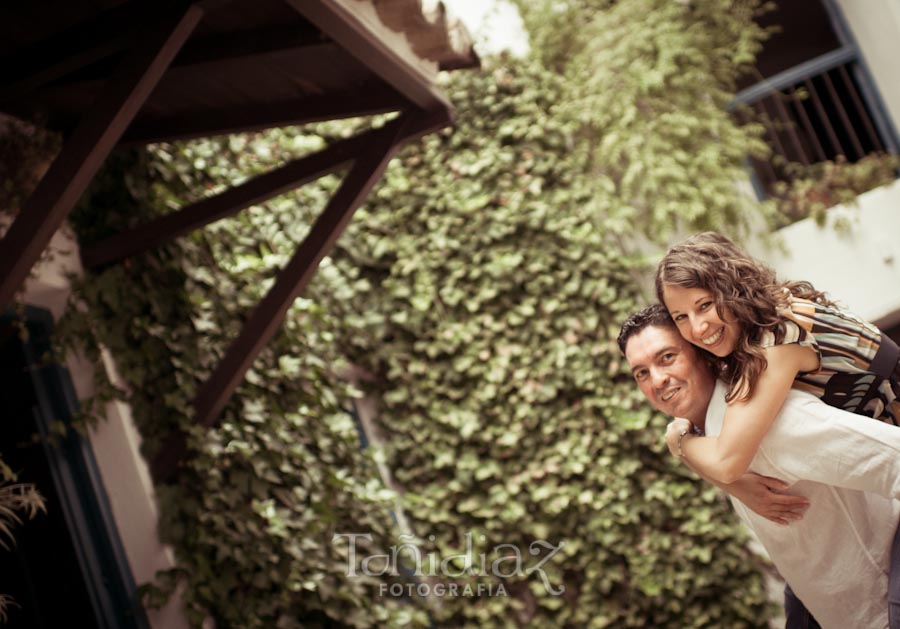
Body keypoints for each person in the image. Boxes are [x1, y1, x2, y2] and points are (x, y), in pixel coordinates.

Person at [619, 305, 900, 629]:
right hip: (825, 604)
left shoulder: (774, 424)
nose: (657, 379)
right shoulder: (703, 437)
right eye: (641, 372)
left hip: (880, 604)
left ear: (701, 353)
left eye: (667, 357)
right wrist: (682, 445)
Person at [654, 231, 900, 485]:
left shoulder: (779, 339)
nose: (697, 328)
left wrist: (681, 440)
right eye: (681, 317)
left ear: (732, 289)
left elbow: (726, 463)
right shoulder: (764, 320)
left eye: (704, 305)